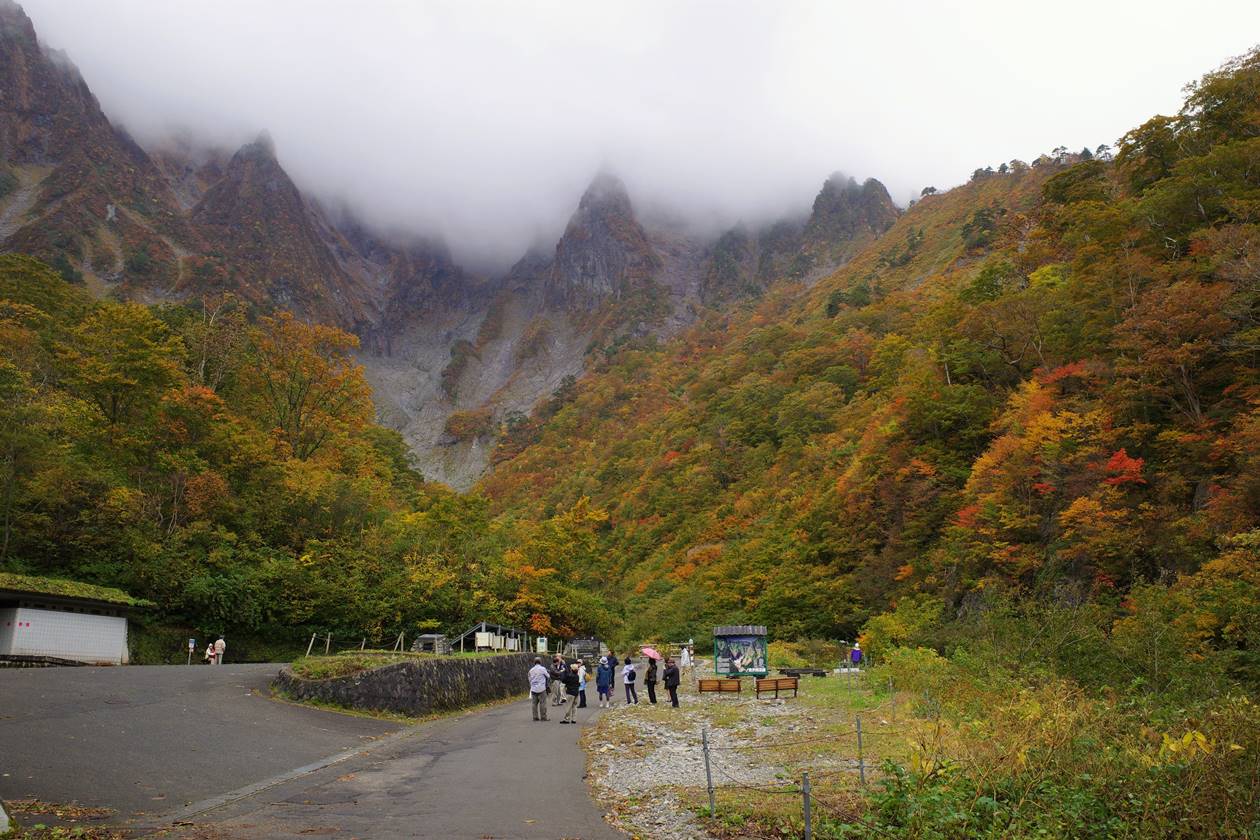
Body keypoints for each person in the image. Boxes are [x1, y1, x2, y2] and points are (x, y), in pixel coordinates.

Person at [528, 657, 550, 721]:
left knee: (534, 703)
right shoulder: (542, 669)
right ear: (540, 662)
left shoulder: (531, 670)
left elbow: (529, 679)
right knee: (542, 703)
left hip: (533, 688)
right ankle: (543, 717)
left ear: (534, 662)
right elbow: (548, 676)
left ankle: (535, 717)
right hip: (541, 688)